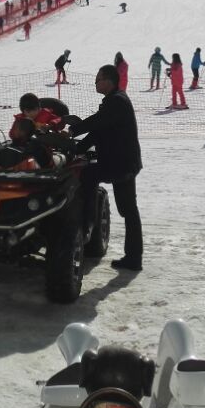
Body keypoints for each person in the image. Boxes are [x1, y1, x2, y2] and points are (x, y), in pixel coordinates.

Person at [65, 64, 143, 272]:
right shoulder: (114, 101)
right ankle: (134, 257)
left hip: (121, 164)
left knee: (88, 176)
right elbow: (99, 131)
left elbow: (97, 123)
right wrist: (77, 147)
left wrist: (73, 130)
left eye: (98, 79)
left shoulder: (117, 101)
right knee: (128, 209)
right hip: (122, 162)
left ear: (109, 80)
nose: (96, 82)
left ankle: (87, 224)